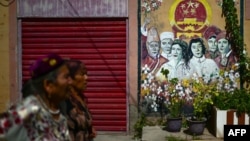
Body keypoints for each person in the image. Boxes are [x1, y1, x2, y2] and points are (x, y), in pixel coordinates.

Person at [0, 53, 72, 140]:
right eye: (66, 77)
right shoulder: (29, 109)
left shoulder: (60, 116)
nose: (70, 82)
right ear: (48, 85)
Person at [60, 60, 97, 141]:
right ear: (69, 78)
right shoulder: (64, 102)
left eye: (86, 74)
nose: (86, 78)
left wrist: (88, 129)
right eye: (82, 74)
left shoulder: (79, 99)